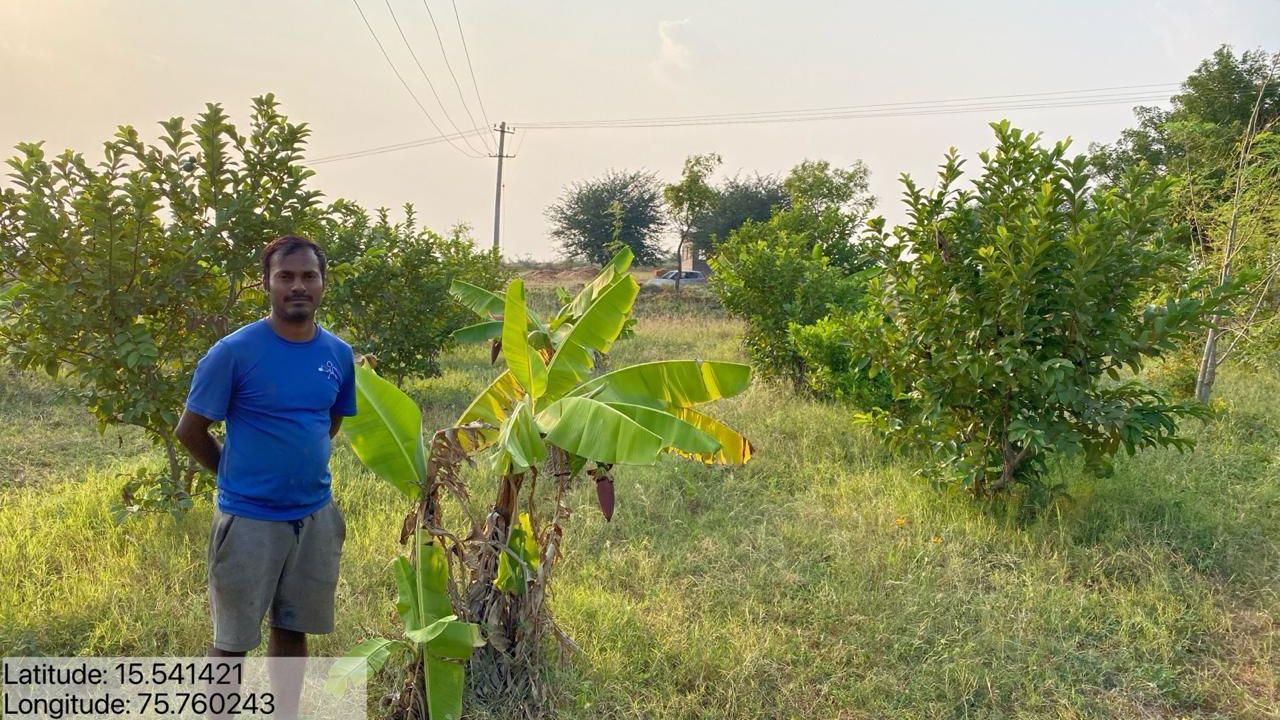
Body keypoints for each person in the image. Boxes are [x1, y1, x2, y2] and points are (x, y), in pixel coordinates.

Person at [175, 235, 357, 713]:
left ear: (323, 284)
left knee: (293, 627)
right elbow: (190, 430)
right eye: (286, 276)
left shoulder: (338, 354)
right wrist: (233, 477)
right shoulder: (234, 352)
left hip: (313, 516)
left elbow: (329, 421)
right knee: (232, 640)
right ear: (267, 284)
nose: (298, 286)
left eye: (308, 276)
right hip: (249, 520)